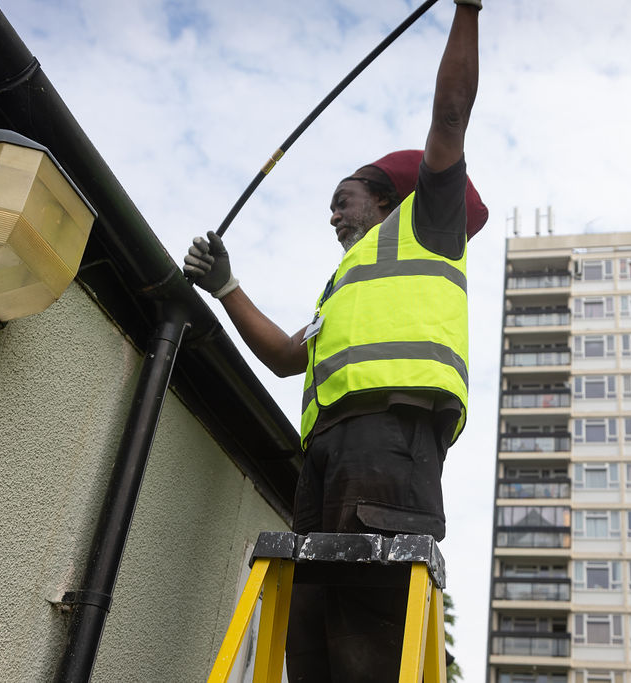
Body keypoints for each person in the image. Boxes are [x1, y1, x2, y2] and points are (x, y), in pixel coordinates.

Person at [183, 1, 485, 680]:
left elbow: (449, 116)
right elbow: (290, 359)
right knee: (312, 631)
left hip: (393, 439)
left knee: (368, 634)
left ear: (385, 200)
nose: (333, 213)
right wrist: (228, 286)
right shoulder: (341, 286)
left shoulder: (427, 226)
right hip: (324, 455)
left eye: (343, 198)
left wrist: (467, 9)